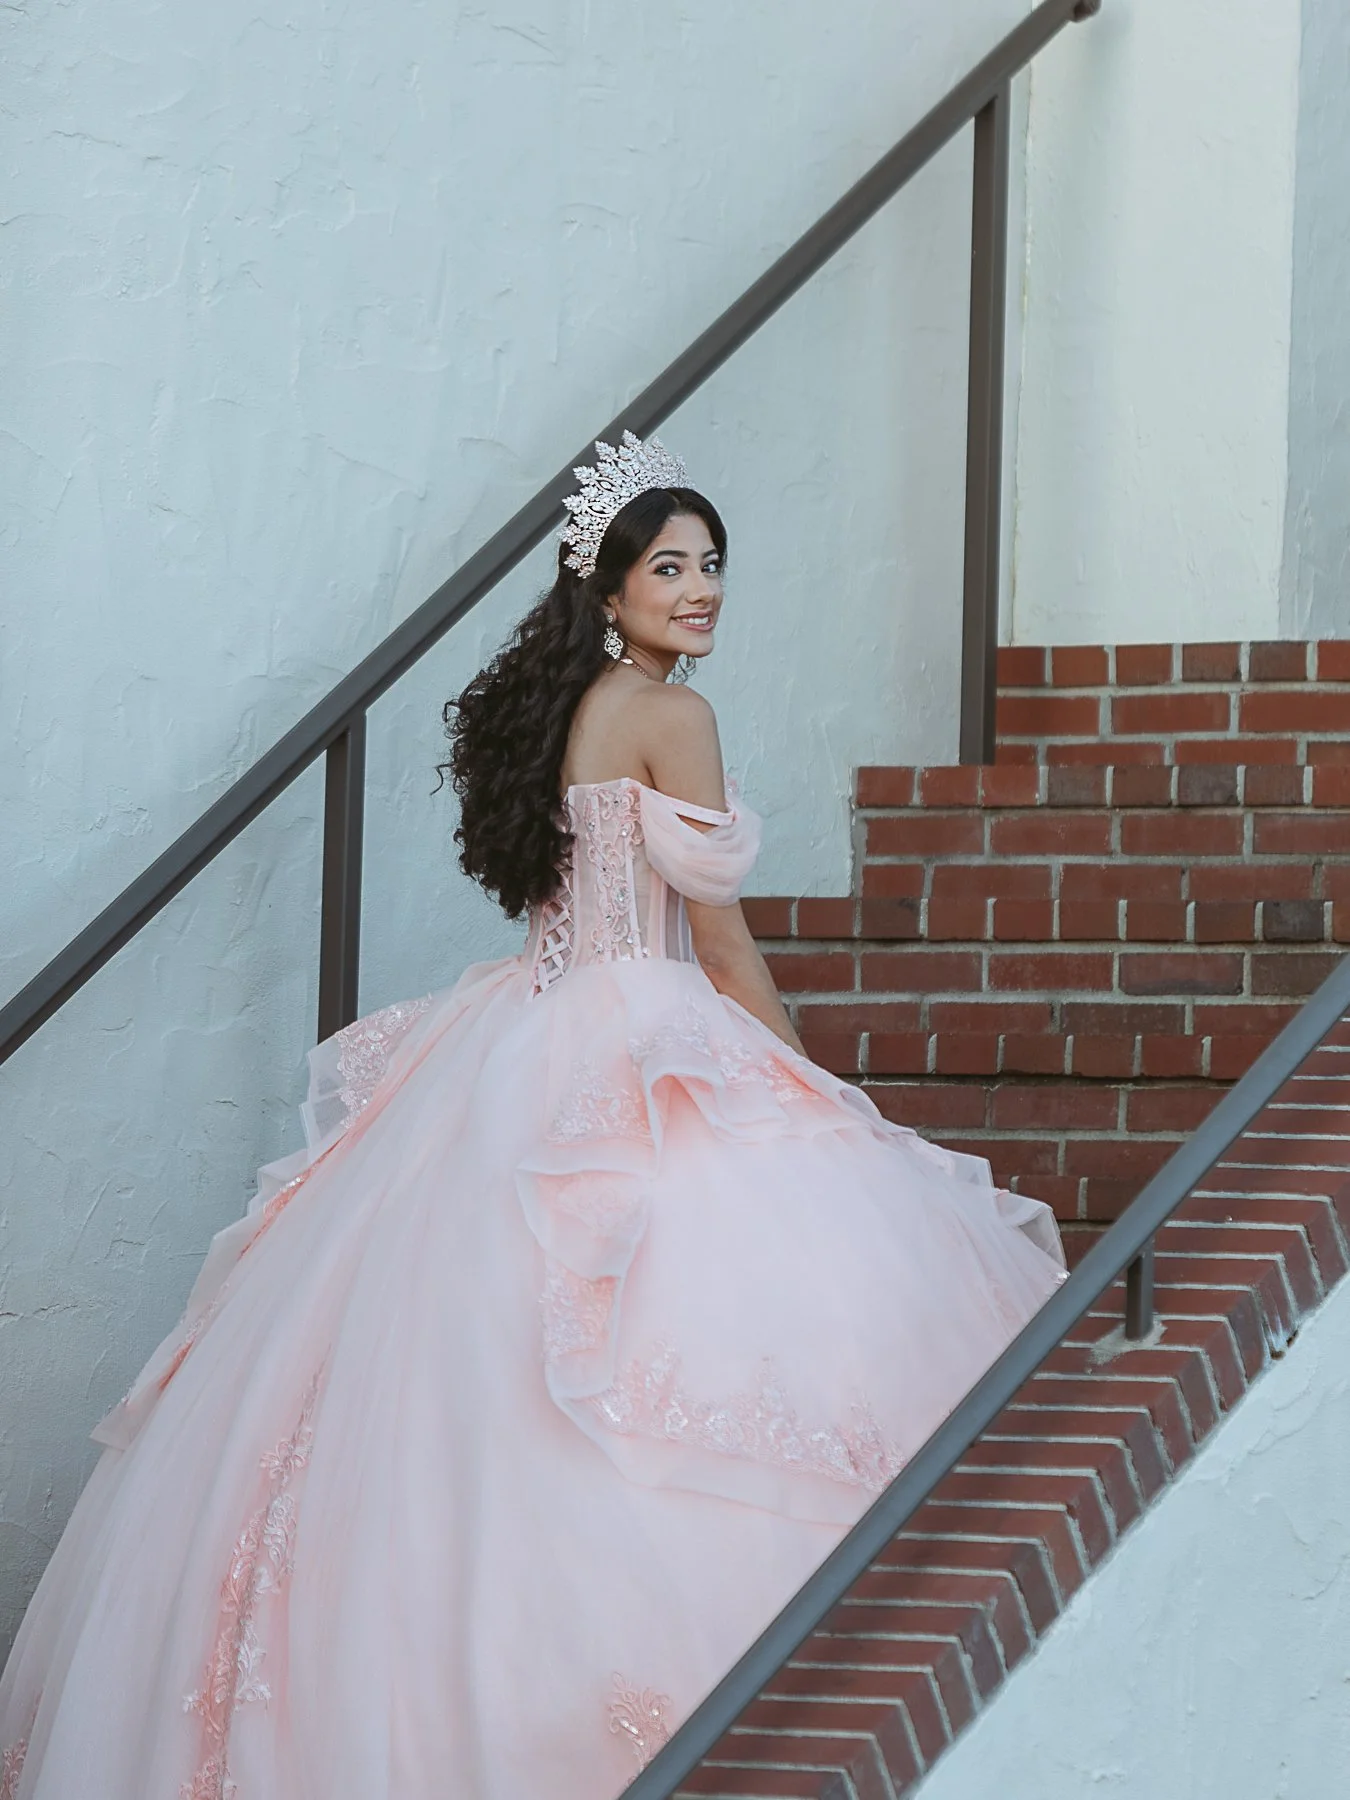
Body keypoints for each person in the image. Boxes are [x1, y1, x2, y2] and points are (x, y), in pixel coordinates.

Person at [0, 431, 1066, 1800]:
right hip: (639, 1015)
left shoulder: (559, 711)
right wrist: (815, 1091)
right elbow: (720, 945)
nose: (701, 588)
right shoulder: (671, 717)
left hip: (522, 1026)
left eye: (713, 564)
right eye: (668, 567)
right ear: (607, 588)